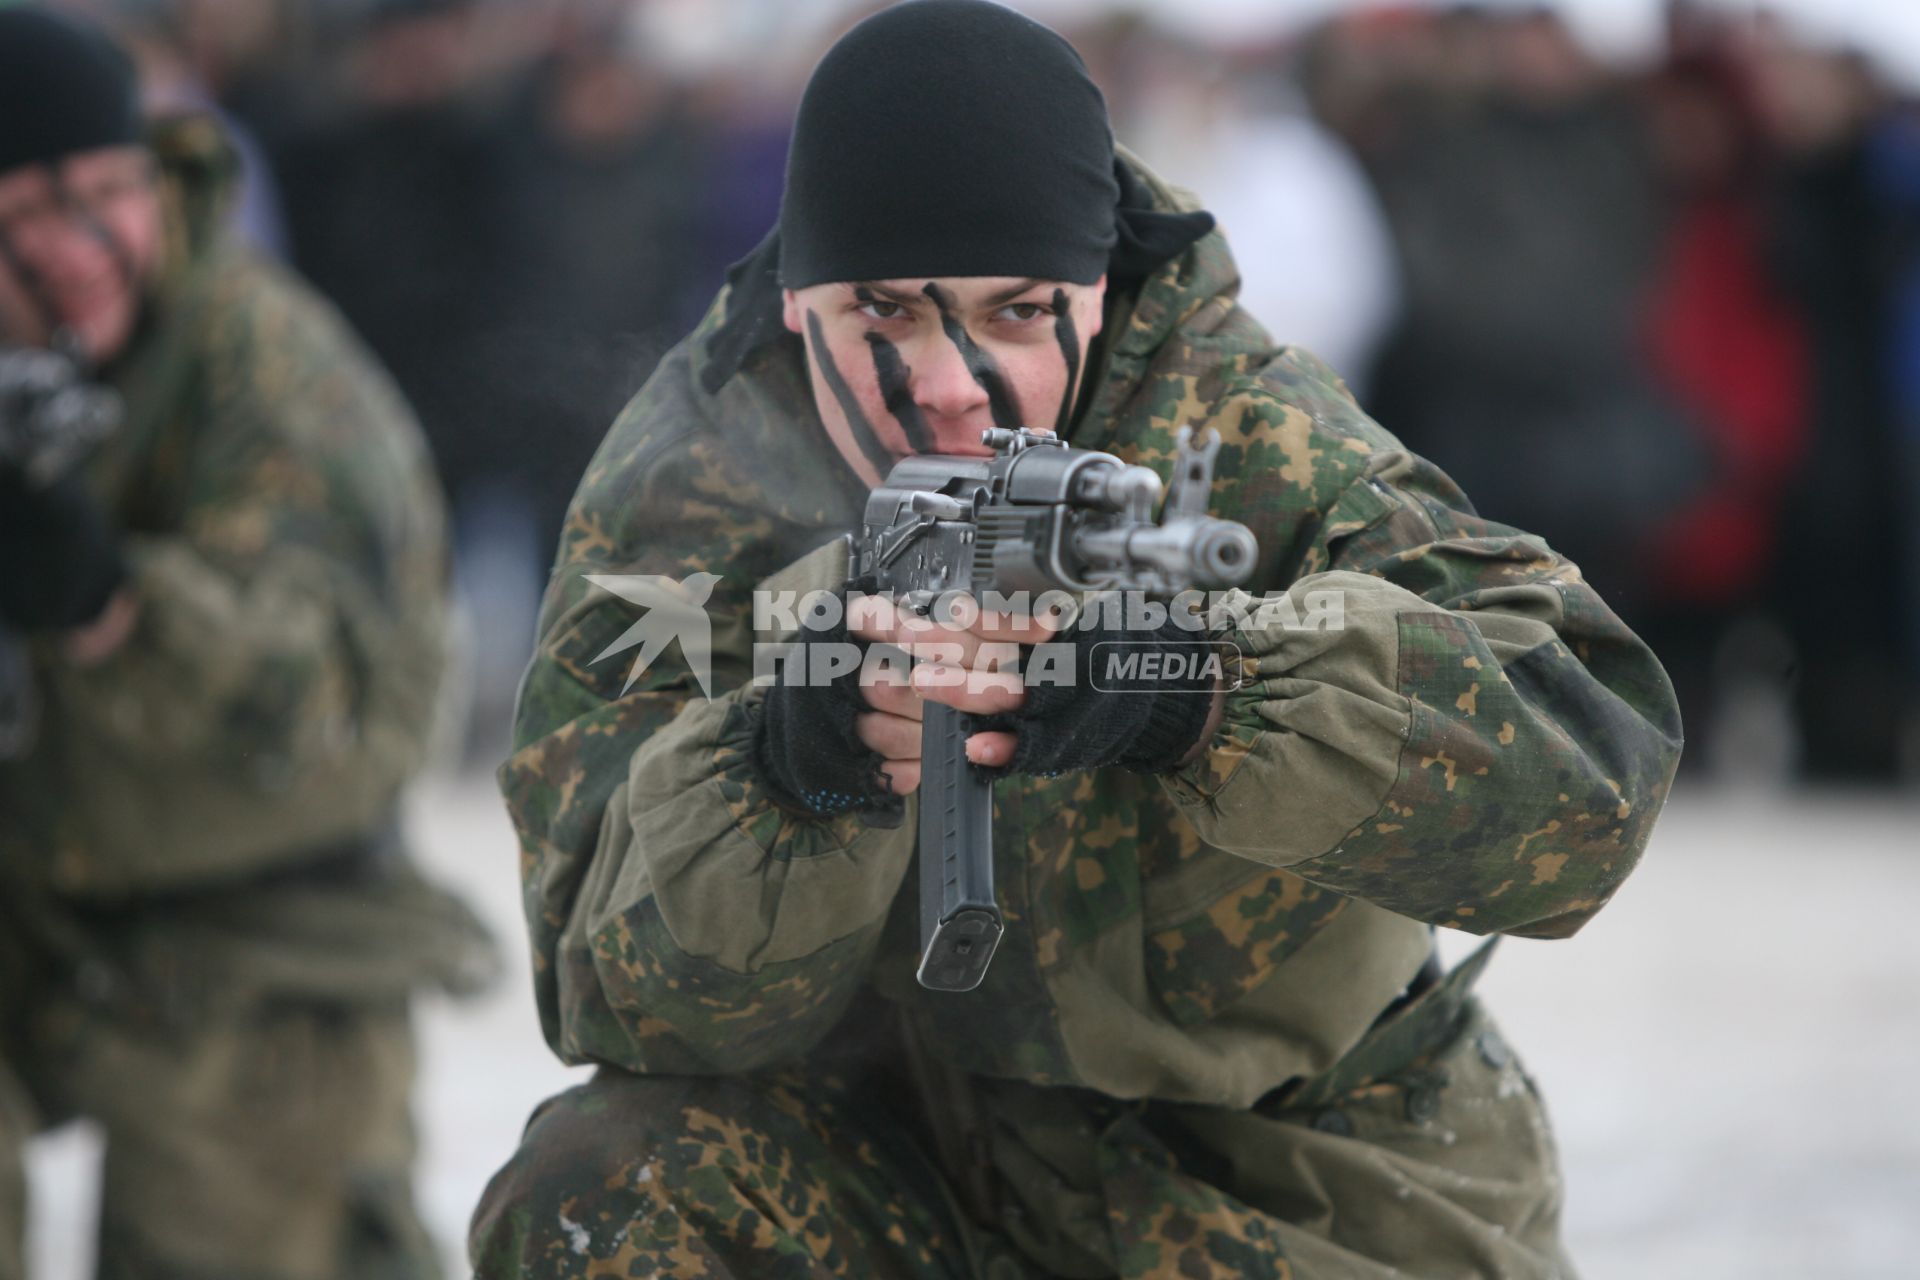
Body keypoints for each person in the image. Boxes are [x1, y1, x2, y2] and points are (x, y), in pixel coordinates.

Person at [471, 3, 1683, 1277]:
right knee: (605, 1188)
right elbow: (602, 989)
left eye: (1017, 311)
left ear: (1095, 291)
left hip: (1295, 1186)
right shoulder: (688, 493)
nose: (945, 381)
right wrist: (784, 768)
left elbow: (1590, 773)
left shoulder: (1252, 438)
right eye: (881, 311)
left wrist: (1208, 692)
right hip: (898, 1164)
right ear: (795, 303)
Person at [0, 9, 494, 1279]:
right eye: (26, 214)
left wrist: (109, 601)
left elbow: (342, 712)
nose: (87, 249)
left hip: (260, 919)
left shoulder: (269, 373)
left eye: (112, 192)